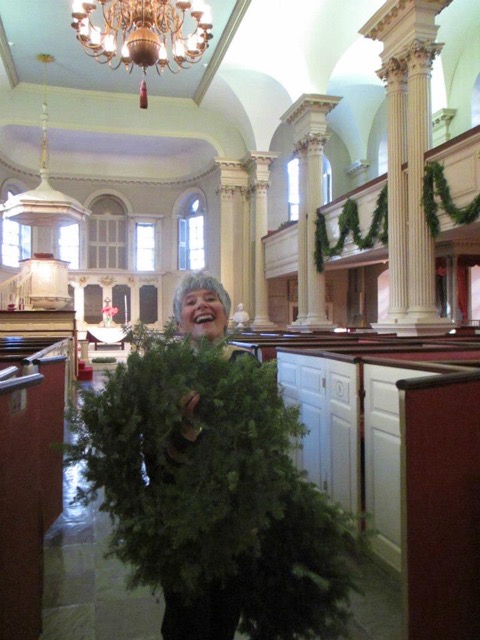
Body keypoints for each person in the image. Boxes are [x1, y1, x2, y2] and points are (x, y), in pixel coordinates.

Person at [161, 272, 251, 640]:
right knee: (186, 622)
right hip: (183, 522)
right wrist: (187, 428)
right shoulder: (166, 372)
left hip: (235, 520)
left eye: (211, 298)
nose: (202, 305)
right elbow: (158, 467)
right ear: (179, 323)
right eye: (191, 301)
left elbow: (258, 445)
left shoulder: (246, 364)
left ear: (226, 315)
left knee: (226, 617)